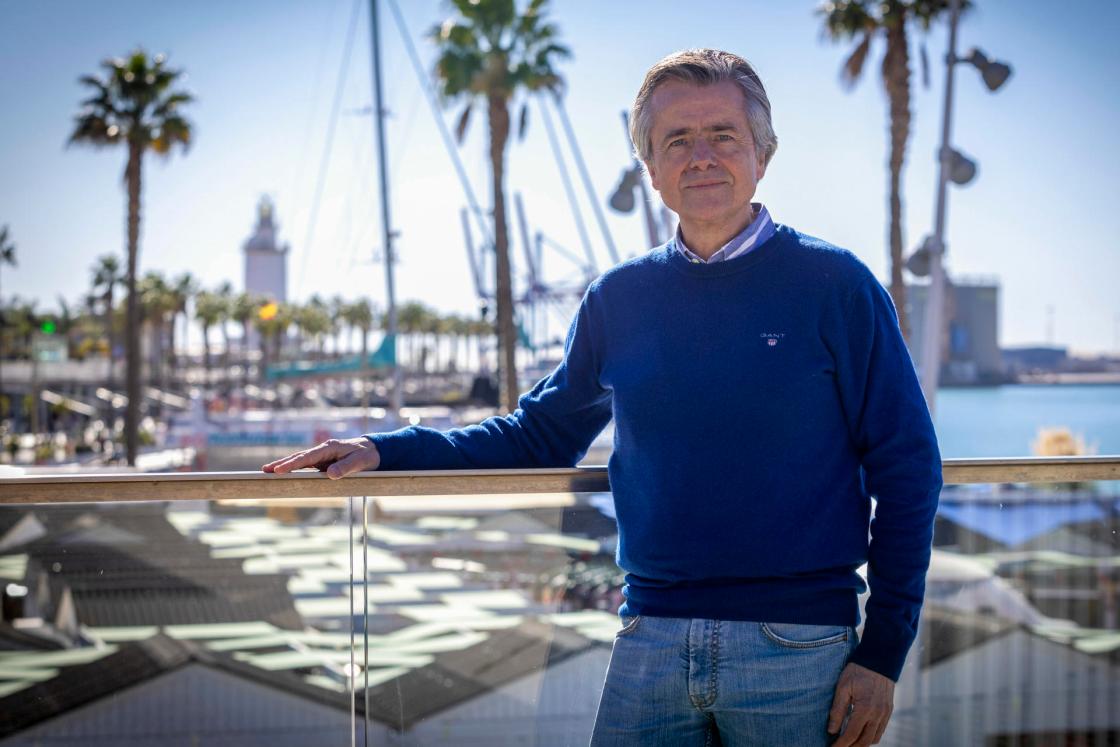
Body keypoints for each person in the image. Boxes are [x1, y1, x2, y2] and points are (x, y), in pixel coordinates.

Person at [263, 48, 941, 747]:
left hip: (799, 646)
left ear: (762, 155)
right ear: (650, 168)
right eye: (676, 139)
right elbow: (538, 435)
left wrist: (883, 651)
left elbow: (909, 465)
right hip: (648, 634)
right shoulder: (618, 299)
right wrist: (385, 449)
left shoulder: (838, 286)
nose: (700, 155)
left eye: (723, 135)